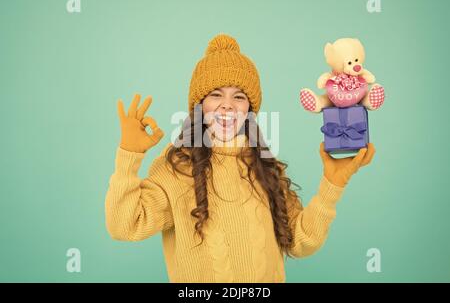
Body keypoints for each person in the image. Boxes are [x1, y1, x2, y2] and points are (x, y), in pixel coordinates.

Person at [105, 34, 375, 283]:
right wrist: (129, 156)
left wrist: (332, 184)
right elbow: (124, 226)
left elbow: (301, 242)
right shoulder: (175, 169)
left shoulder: (266, 169)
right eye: (215, 95)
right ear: (199, 106)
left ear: (249, 109)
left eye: (239, 96)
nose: (227, 105)